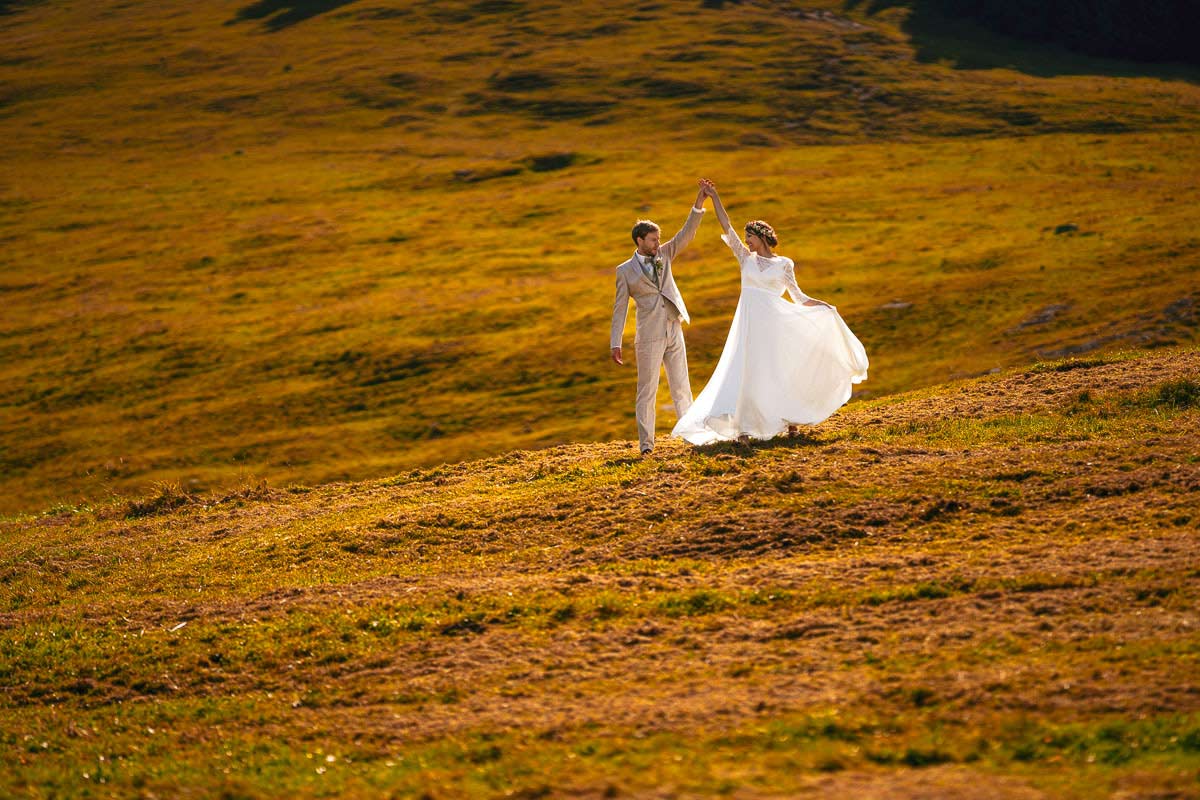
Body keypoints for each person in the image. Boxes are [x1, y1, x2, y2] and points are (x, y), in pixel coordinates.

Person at [671, 179, 868, 445]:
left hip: (775, 325)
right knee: (746, 373)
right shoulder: (744, 258)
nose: (746, 242)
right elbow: (725, 225)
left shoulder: (784, 264)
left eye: (750, 237)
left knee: (779, 371)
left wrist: (825, 307)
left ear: (761, 237)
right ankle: (742, 429)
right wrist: (713, 197)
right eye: (745, 239)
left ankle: (790, 422)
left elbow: (798, 296)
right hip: (749, 326)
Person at [610, 182, 708, 456]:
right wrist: (615, 343)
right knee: (647, 391)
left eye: (658, 239)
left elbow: (685, 235)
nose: (657, 243)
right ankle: (646, 445)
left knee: (681, 386)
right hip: (649, 336)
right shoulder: (625, 272)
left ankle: (691, 437)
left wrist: (698, 205)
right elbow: (619, 309)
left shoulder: (664, 254)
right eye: (653, 239)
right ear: (640, 240)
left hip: (674, 327)